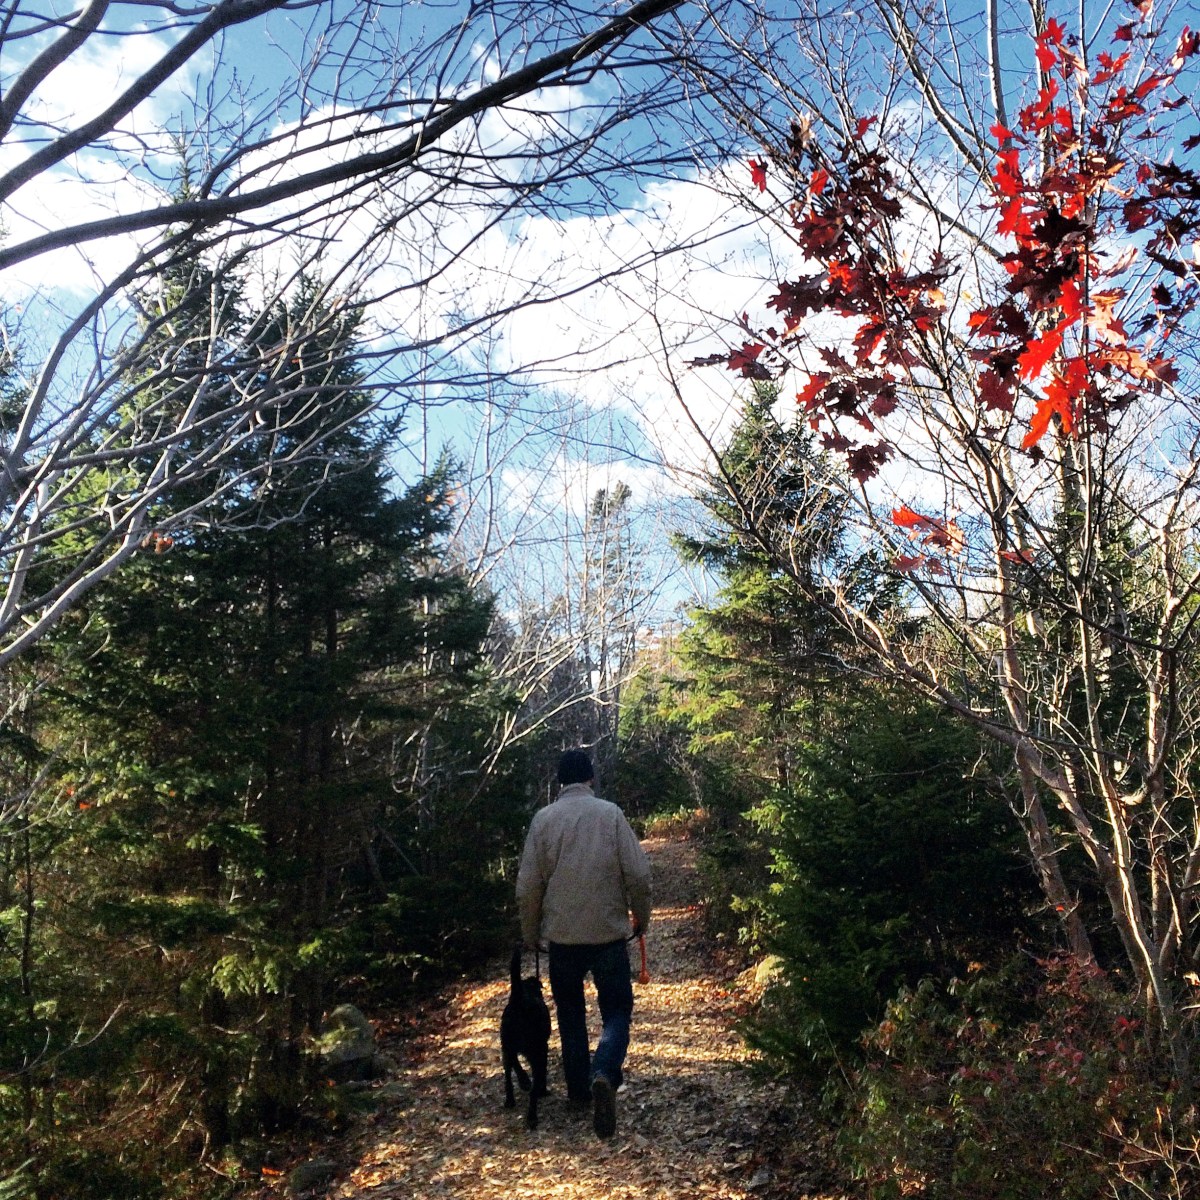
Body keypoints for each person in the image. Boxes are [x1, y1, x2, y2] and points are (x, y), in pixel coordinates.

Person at [516, 748, 652, 1140]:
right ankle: (605, 1072)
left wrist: (531, 934)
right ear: (590, 778)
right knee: (616, 1010)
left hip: (563, 938)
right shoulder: (610, 815)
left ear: (559, 781)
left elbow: (527, 889)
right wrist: (641, 918)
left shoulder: (543, 821)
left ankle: (578, 1090)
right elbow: (639, 875)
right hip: (608, 935)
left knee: (571, 1014)